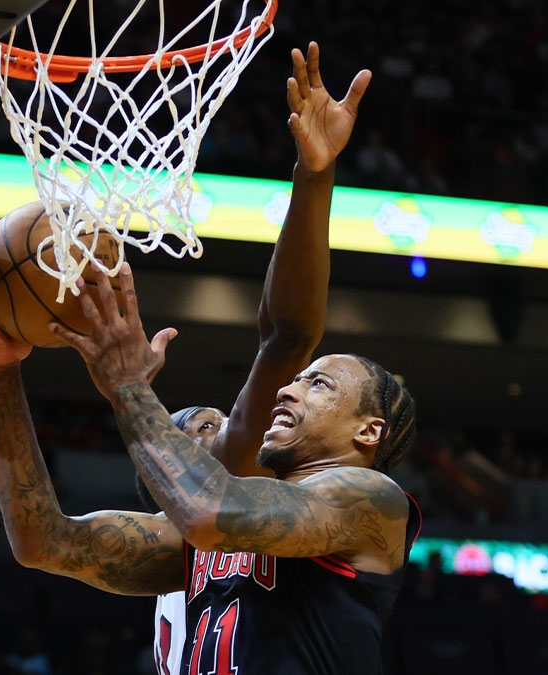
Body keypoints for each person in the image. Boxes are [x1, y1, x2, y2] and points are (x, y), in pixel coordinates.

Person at [134, 41, 362, 675]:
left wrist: (313, 175)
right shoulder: (178, 530)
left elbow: (281, 339)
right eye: (203, 428)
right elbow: (284, 340)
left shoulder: (264, 502)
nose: (231, 425)